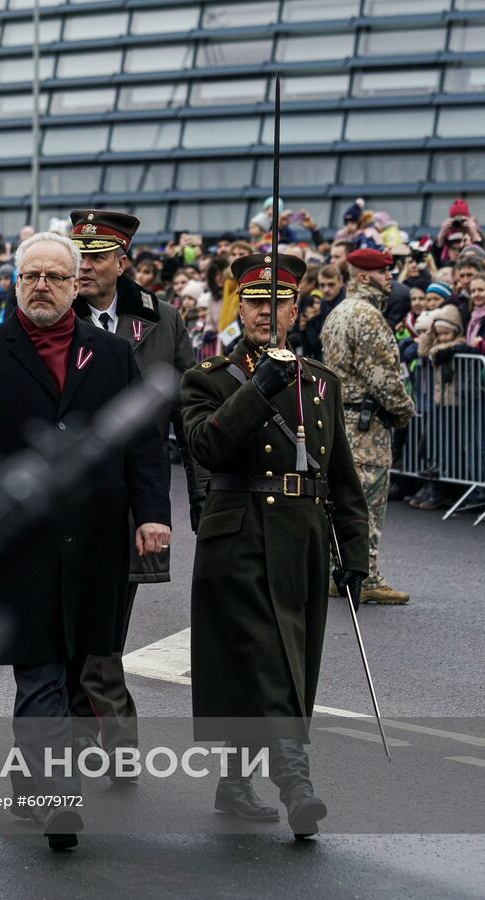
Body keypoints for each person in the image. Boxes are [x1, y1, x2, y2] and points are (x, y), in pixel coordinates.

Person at [0, 231, 171, 850]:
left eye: (54, 276)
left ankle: (30, 785)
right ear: (16, 283)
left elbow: (143, 446)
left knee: (73, 674)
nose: (41, 286)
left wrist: (152, 513)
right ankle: (56, 800)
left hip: (95, 540)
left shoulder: (112, 354)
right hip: (18, 545)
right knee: (38, 671)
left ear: (75, 285)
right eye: (31, 276)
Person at [181, 253, 369, 838]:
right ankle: (295, 783)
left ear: (296, 310)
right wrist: (260, 386)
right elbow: (206, 447)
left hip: (302, 536)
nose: (266, 312)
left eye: (278, 302)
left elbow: (341, 476)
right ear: (240, 308)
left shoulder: (321, 382)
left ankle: (235, 781)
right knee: (268, 656)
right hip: (238, 532)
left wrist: (355, 552)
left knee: (287, 658)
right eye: (255, 302)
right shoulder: (209, 377)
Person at [65, 209, 204, 764]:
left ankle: (94, 732)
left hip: (132, 497)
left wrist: (203, 500)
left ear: (122, 262)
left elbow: (191, 413)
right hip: (67, 494)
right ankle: (99, 734)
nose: (84, 267)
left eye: (96, 257)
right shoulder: (49, 313)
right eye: (78, 256)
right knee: (69, 620)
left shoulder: (162, 319)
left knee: (107, 622)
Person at [319, 249, 417, 604]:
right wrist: (405, 410)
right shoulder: (367, 316)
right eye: (383, 272)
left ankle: (339, 569)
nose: (389, 277)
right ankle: (366, 574)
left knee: (342, 499)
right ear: (363, 277)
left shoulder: (338, 312)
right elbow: (382, 378)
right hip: (366, 424)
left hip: (341, 418)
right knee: (367, 503)